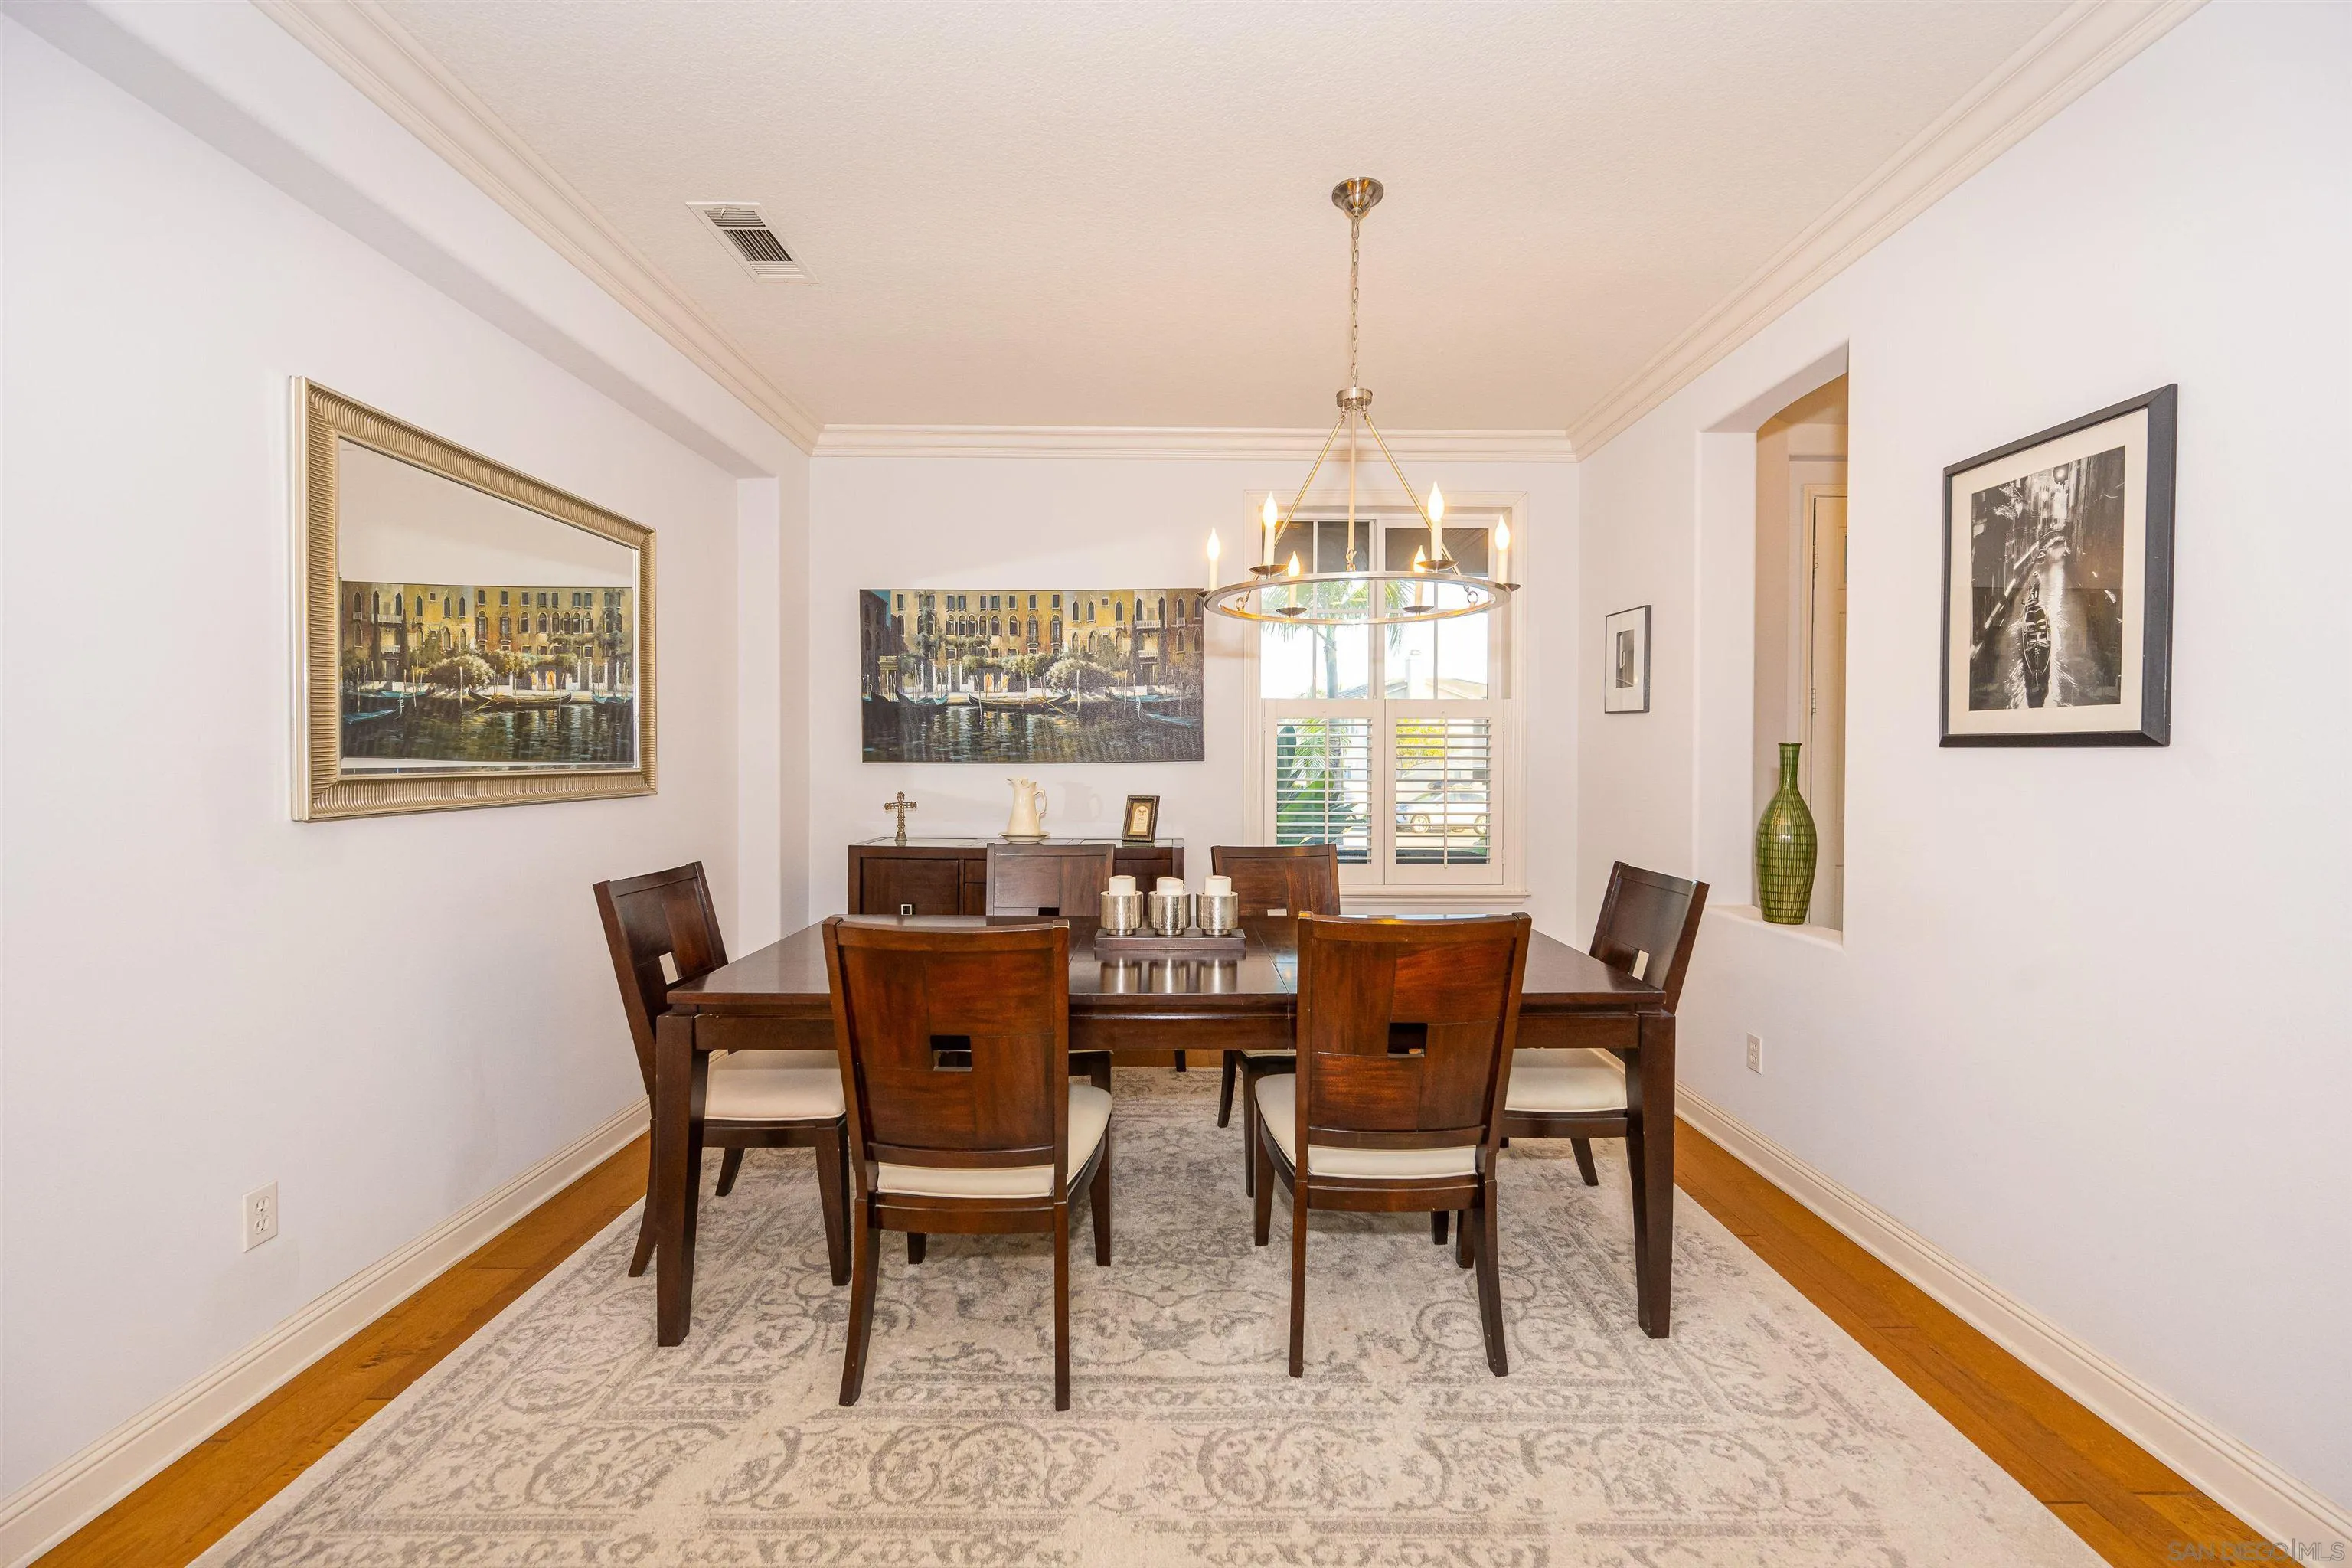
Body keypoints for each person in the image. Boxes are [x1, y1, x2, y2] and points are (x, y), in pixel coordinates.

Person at [2019, 580, 2052, 708]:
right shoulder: (2036, 583)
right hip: (2037, 642)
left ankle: (2035, 673)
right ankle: (2038, 675)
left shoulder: (2035, 583)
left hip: (2036, 641)